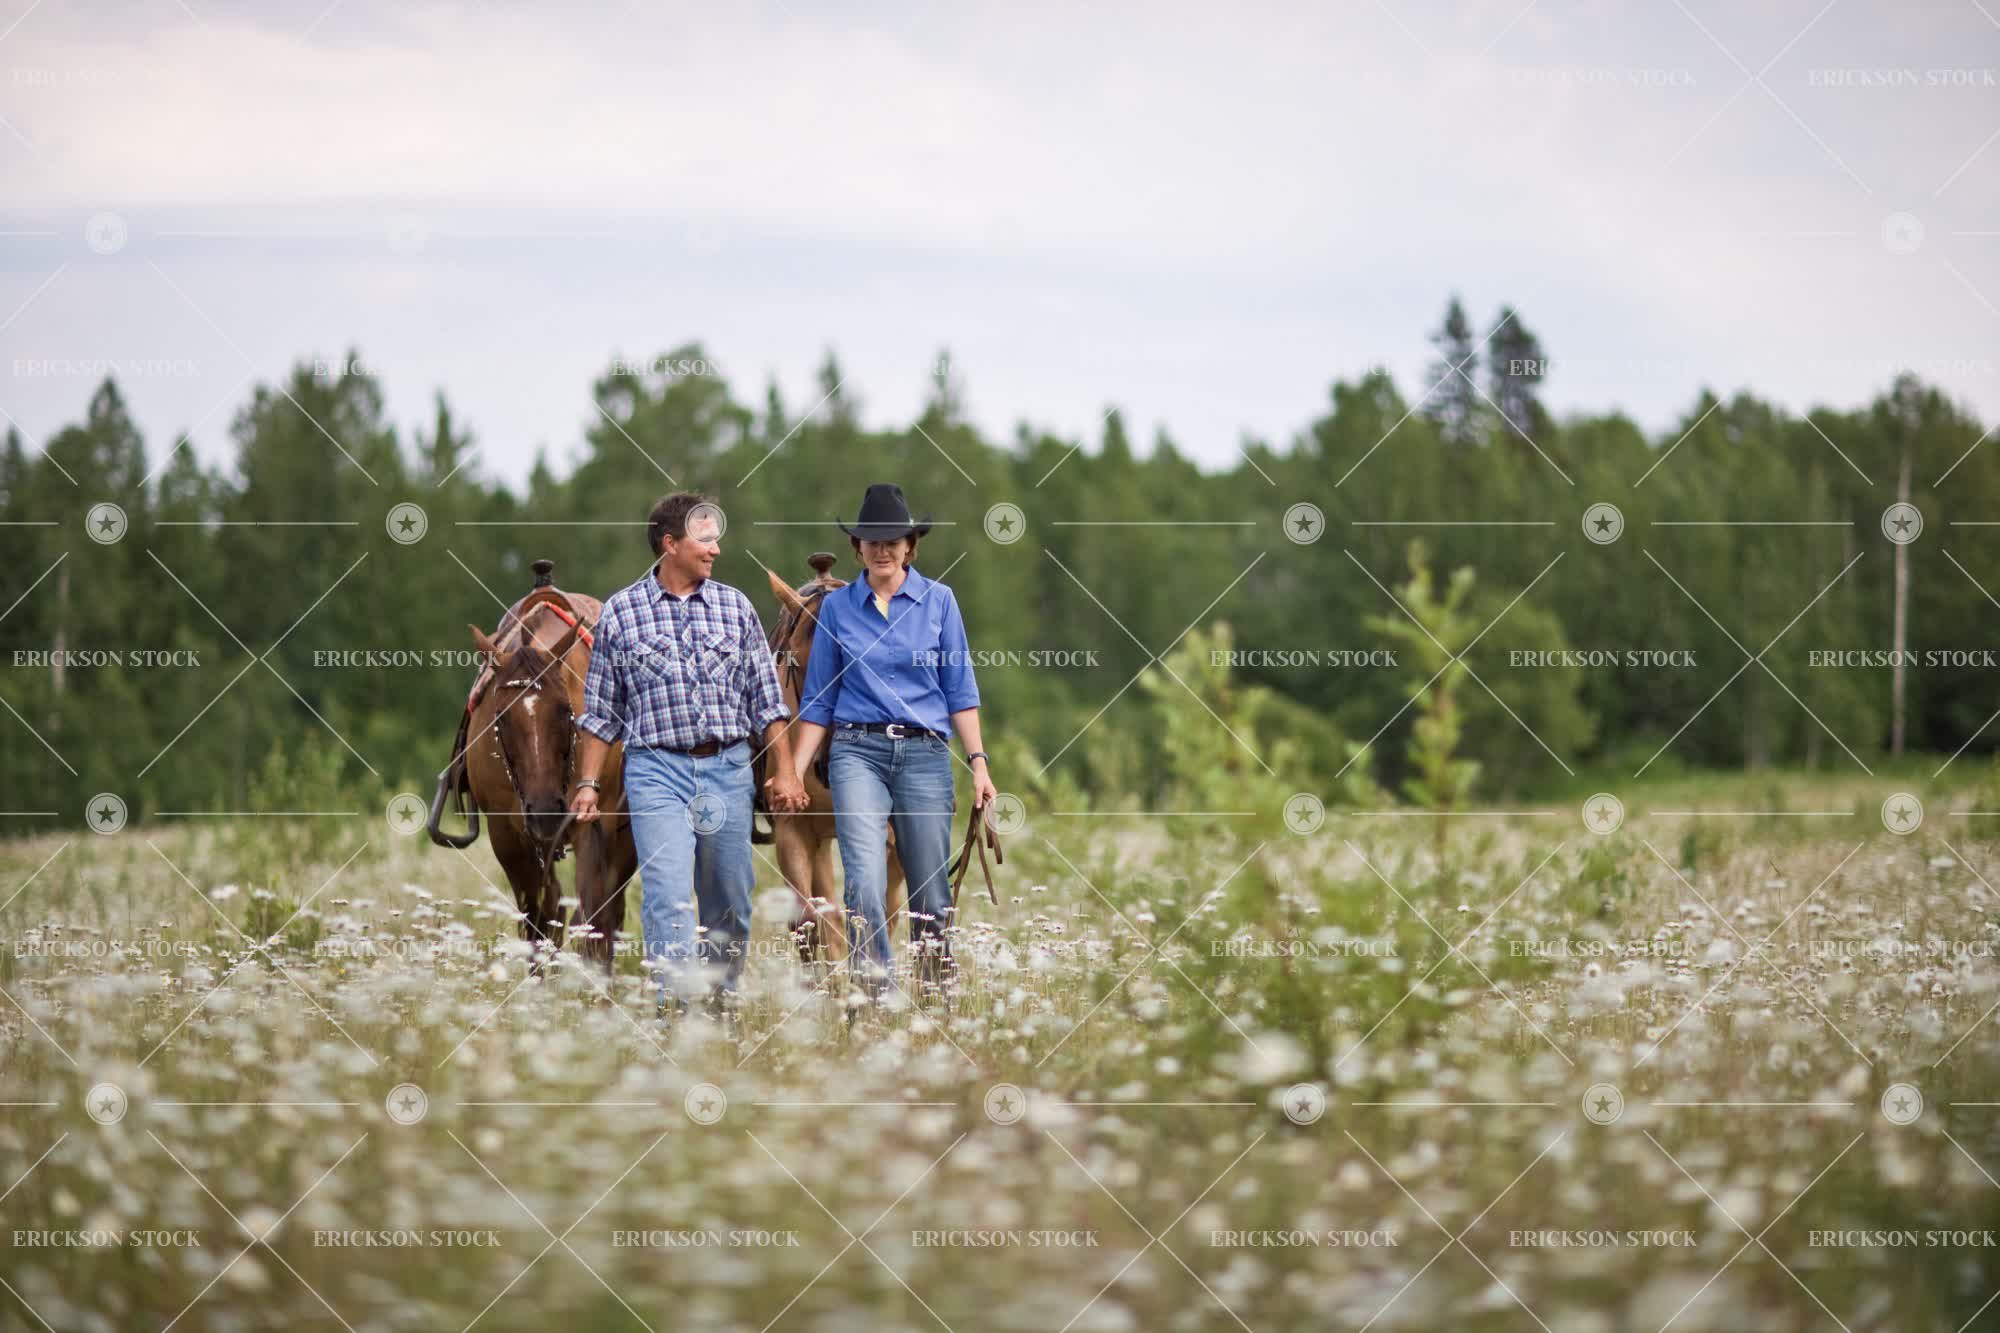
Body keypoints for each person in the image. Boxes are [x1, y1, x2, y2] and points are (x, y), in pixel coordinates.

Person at [569, 492, 808, 1020]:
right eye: (705, 539)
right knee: (668, 894)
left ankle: (719, 1007)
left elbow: (767, 703)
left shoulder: (735, 607)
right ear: (670, 544)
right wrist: (587, 784)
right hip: (656, 771)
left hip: (727, 768)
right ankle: (676, 1012)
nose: (716, 549)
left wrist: (786, 771)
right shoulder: (622, 613)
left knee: (730, 900)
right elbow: (601, 713)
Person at [788, 483, 997, 1002]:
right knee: (862, 878)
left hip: (925, 754)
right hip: (857, 751)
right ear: (857, 548)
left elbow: (960, 691)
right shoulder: (837, 610)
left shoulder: (939, 602)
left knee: (930, 888)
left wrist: (979, 764)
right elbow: (818, 701)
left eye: (892, 541)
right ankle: (874, 995)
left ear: (910, 546)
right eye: (871, 541)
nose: (882, 549)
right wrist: (793, 771)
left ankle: (934, 995)